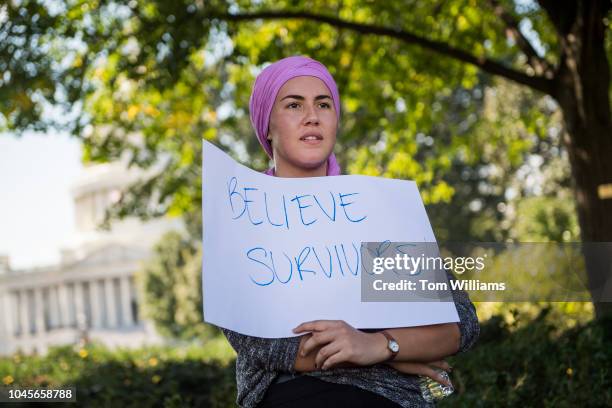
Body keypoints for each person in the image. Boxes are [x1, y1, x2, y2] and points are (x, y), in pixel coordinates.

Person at [221, 55, 479, 408]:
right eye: (294, 104)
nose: (312, 115)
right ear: (267, 124)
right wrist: (397, 355)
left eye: (323, 104)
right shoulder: (243, 217)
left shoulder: (376, 212)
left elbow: (458, 322)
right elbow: (265, 343)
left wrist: (377, 346)